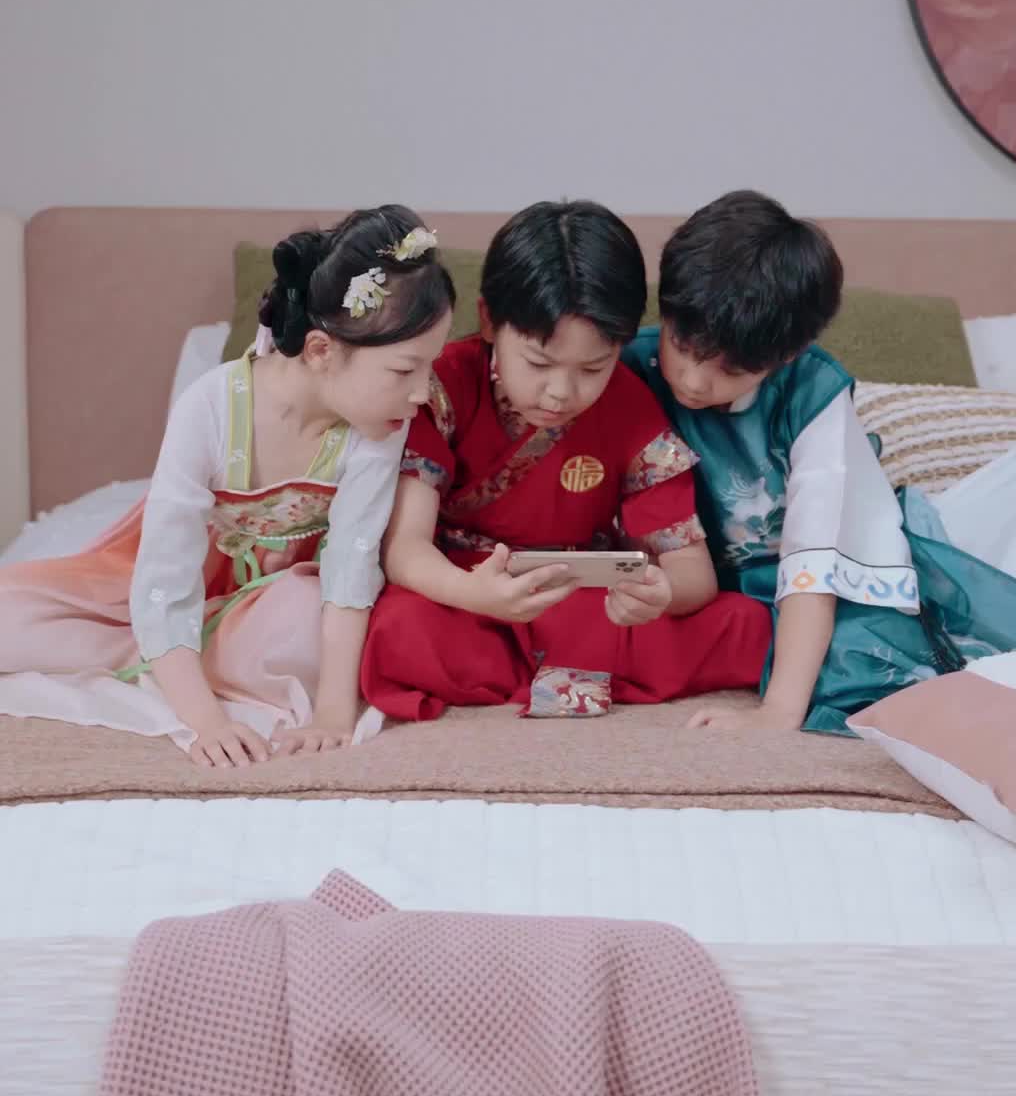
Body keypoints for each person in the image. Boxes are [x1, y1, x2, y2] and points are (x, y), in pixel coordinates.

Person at [0, 208, 454, 765]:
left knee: (301, 626)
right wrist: (206, 723)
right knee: (10, 616)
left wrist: (334, 714)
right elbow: (165, 576)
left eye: (430, 368)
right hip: (164, 585)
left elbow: (350, 572)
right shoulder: (210, 408)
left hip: (283, 603)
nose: (422, 393)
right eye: (405, 370)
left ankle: (179, 655)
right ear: (320, 351)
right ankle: (168, 654)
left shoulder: (382, 424)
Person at [623, 190, 1016, 735]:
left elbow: (815, 563)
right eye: (682, 346)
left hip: (814, 578)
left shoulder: (812, 394)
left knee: (862, 670)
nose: (693, 380)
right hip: (695, 586)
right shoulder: (627, 365)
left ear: (785, 356)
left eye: (731, 371)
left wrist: (778, 713)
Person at [360, 200, 771, 720]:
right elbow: (404, 548)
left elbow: (694, 573)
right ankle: (572, 669)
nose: (560, 392)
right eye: (539, 363)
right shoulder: (442, 384)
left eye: (592, 368)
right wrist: (474, 594)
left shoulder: (631, 403)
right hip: (467, 592)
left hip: (587, 598)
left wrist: (660, 594)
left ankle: (527, 670)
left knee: (746, 625)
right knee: (398, 626)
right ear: (489, 321)